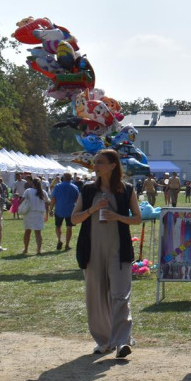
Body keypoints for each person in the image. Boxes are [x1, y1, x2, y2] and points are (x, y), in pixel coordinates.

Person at [71, 149, 142, 357]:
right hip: (93, 250)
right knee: (97, 298)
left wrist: (117, 216)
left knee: (120, 295)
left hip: (119, 251)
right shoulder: (87, 190)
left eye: (100, 162)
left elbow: (137, 218)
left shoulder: (127, 190)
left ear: (113, 165)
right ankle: (104, 341)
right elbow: (74, 219)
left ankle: (122, 341)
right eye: (95, 162)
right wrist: (93, 209)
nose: (96, 166)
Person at [51, 172, 80, 251]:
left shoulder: (57, 186)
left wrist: (50, 209)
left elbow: (53, 198)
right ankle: (67, 245)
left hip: (59, 210)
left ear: (63, 178)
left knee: (58, 226)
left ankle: (59, 239)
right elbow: (78, 200)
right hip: (70, 210)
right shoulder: (74, 187)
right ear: (71, 179)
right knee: (69, 227)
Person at [21, 178, 48, 255]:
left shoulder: (28, 191)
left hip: (29, 213)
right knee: (38, 233)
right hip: (39, 214)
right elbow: (46, 204)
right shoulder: (43, 192)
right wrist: (47, 215)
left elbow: (22, 200)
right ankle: (38, 250)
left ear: (32, 183)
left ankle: (26, 249)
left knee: (27, 232)